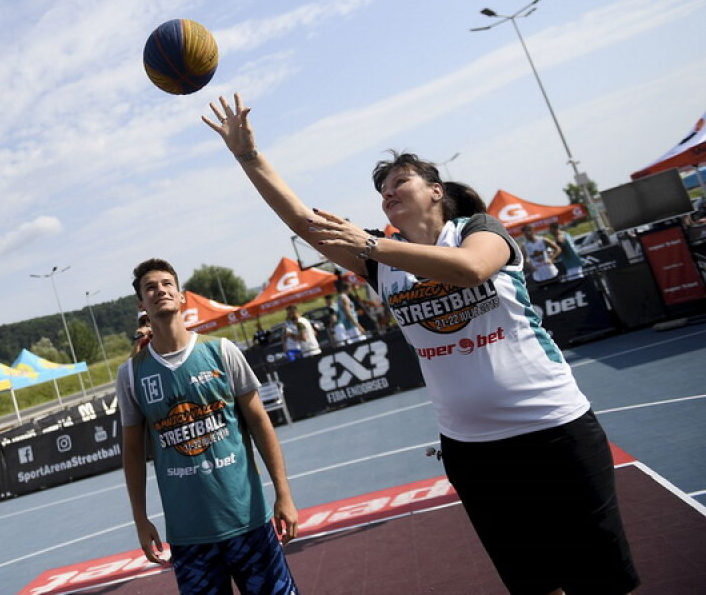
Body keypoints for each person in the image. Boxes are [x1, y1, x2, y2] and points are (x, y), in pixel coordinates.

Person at [203, 93, 638, 595]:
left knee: (599, 583)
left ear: (435, 191)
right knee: (536, 586)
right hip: (473, 450)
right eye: (382, 189)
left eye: (399, 182)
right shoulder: (383, 261)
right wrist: (248, 156)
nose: (387, 192)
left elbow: (471, 269)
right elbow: (304, 222)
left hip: (553, 429)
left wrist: (371, 244)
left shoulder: (478, 230)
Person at [118, 258, 299, 595]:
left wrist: (283, 494)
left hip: (248, 520)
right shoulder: (131, 373)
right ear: (141, 304)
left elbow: (260, 424)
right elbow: (131, 451)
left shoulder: (222, 351)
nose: (160, 291)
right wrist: (140, 519)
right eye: (150, 288)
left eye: (167, 284)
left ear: (181, 295)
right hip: (190, 537)